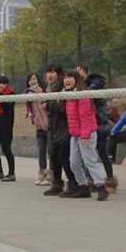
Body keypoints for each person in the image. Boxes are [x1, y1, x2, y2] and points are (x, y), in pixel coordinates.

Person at [63, 70, 109, 201]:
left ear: (77, 80)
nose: (67, 80)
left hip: (87, 133)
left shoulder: (83, 94)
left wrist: (85, 135)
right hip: (75, 134)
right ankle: (83, 187)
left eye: (70, 77)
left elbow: (85, 117)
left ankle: (101, 187)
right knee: (74, 162)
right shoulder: (67, 95)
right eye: (65, 78)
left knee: (89, 161)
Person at [77, 65, 118, 193]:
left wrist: (80, 82)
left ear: (87, 73)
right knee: (88, 155)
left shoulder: (96, 83)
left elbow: (89, 92)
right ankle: (91, 181)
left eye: (81, 72)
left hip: (99, 124)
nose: (79, 75)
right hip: (87, 125)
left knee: (102, 153)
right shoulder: (78, 86)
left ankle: (110, 181)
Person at [42, 64, 79, 197]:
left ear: (59, 74)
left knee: (63, 157)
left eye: (53, 72)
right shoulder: (50, 88)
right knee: (53, 156)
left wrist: (48, 104)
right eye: (48, 72)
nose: (50, 75)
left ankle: (74, 184)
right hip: (53, 127)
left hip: (65, 127)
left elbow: (62, 106)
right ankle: (57, 184)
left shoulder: (62, 88)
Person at [23, 72, 50, 186]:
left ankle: (50, 176)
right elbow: (27, 108)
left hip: (49, 126)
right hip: (39, 126)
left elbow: (49, 105)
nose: (32, 81)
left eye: (34, 79)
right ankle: (42, 175)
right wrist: (29, 115)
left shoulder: (46, 90)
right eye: (30, 80)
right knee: (41, 151)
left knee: (51, 152)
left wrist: (41, 94)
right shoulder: (28, 94)